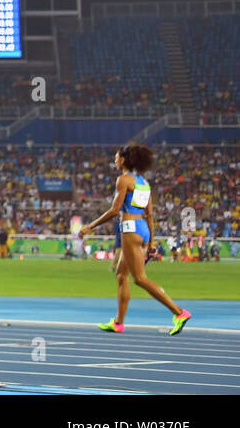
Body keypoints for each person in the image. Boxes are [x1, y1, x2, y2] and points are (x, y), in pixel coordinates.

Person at [80, 143, 190, 335]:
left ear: (123, 160)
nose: (114, 160)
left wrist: (90, 226)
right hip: (142, 229)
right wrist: (151, 241)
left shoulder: (123, 180)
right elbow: (149, 214)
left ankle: (179, 312)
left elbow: (115, 210)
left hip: (130, 229)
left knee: (139, 278)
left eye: (116, 158)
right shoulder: (143, 182)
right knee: (121, 275)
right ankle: (118, 323)